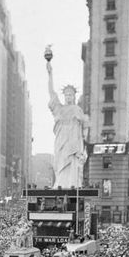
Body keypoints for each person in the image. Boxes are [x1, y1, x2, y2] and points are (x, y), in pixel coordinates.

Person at [46, 55, 89, 189]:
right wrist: (50, 74)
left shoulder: (77, 110)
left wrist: (84, 144)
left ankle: (73, 184)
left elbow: (84, 129)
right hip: (61, 141)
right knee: (60, 162)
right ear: (64, 96)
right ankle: (59, 183)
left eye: (71, 94)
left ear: (74, 96)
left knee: (72, 163)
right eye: (66, 94)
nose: (68, 97)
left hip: (74, 142)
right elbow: (51, 93)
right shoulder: (59, 109)